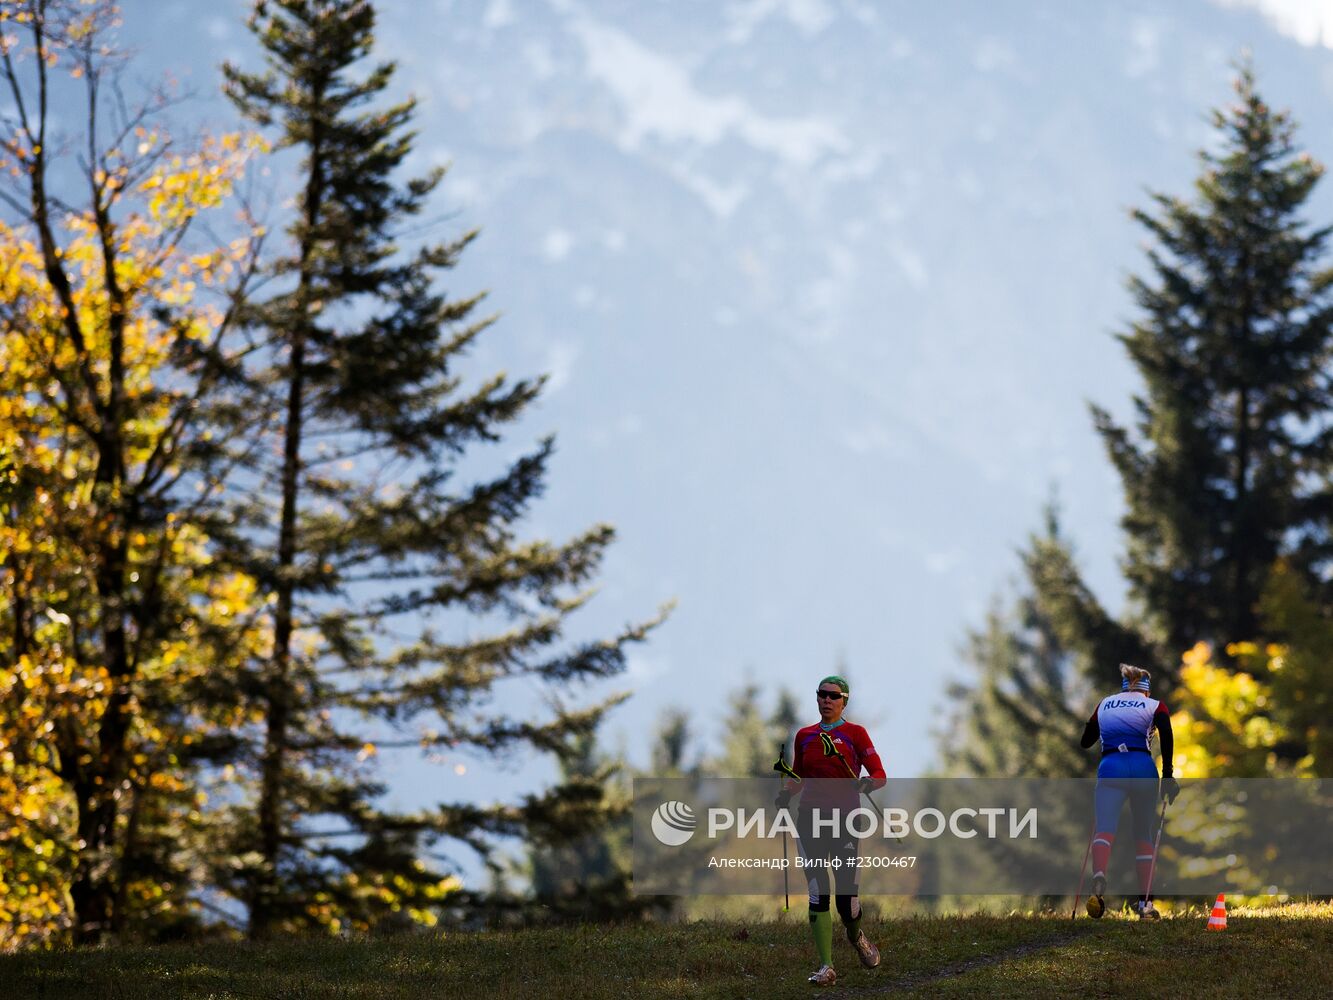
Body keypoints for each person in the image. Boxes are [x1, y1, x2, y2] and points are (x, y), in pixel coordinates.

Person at [775, 675, 885, 986]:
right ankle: (826, 966)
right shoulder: (805, 735)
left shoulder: (856, 734)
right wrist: (786, 793)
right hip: (810, 819)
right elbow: (799, 776)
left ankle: (857, 936)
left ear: (844, 701)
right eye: (821, 694)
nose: (826, 700)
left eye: (833, 696)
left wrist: (867, 783)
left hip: (845, 822)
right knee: (817, 892)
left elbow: (880, 774)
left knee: (846, 903)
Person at [1080, 663, 1179, 920]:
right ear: (1145, 690)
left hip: (1111, 767)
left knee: (1105, 828)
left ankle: (1099, 874)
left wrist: (1103, 726)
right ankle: (1145, 905)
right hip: (1143, 767)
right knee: (1143, 834)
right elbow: (1167, 734)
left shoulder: (1105, 704)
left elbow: (1086, 741)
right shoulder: (1154, 705)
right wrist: (1168, 775)